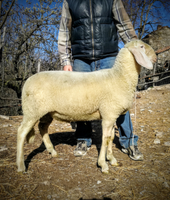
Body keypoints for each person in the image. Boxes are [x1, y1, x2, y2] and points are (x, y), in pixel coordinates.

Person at [58, 0, 143, 161]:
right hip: (81, 58)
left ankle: (129, 141)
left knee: (118, 100)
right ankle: (83, 139)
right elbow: (64, 31)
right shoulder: (69, 1)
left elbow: (124, 25)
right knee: (81, 100)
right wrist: (65, 61)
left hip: (108, 56)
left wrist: (135, 48)